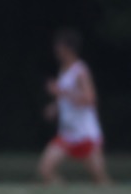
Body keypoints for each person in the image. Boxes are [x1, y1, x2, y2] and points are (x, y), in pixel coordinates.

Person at [41, 28, 109, 184]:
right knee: (45, 171)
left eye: (59, 47)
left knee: (100, 179)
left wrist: (61, 92)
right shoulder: (64, 71)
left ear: (68, 49)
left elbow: (90, 99)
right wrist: (55, 107)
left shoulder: (80, 71)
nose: (56, 50)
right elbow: (67, 98)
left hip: (85, 133)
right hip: (67, 134)